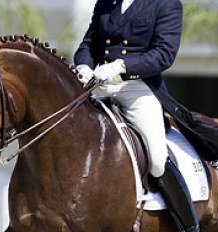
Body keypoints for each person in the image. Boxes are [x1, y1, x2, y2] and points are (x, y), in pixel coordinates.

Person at [73, 0, 200, 231]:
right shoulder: (106, 3)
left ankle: (188, 225)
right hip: (98, 84)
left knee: (157, 159)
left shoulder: (166, 4)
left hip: (137, 87)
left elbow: (164, 54)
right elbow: (88, 45)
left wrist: (121, 66)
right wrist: (83, 67)